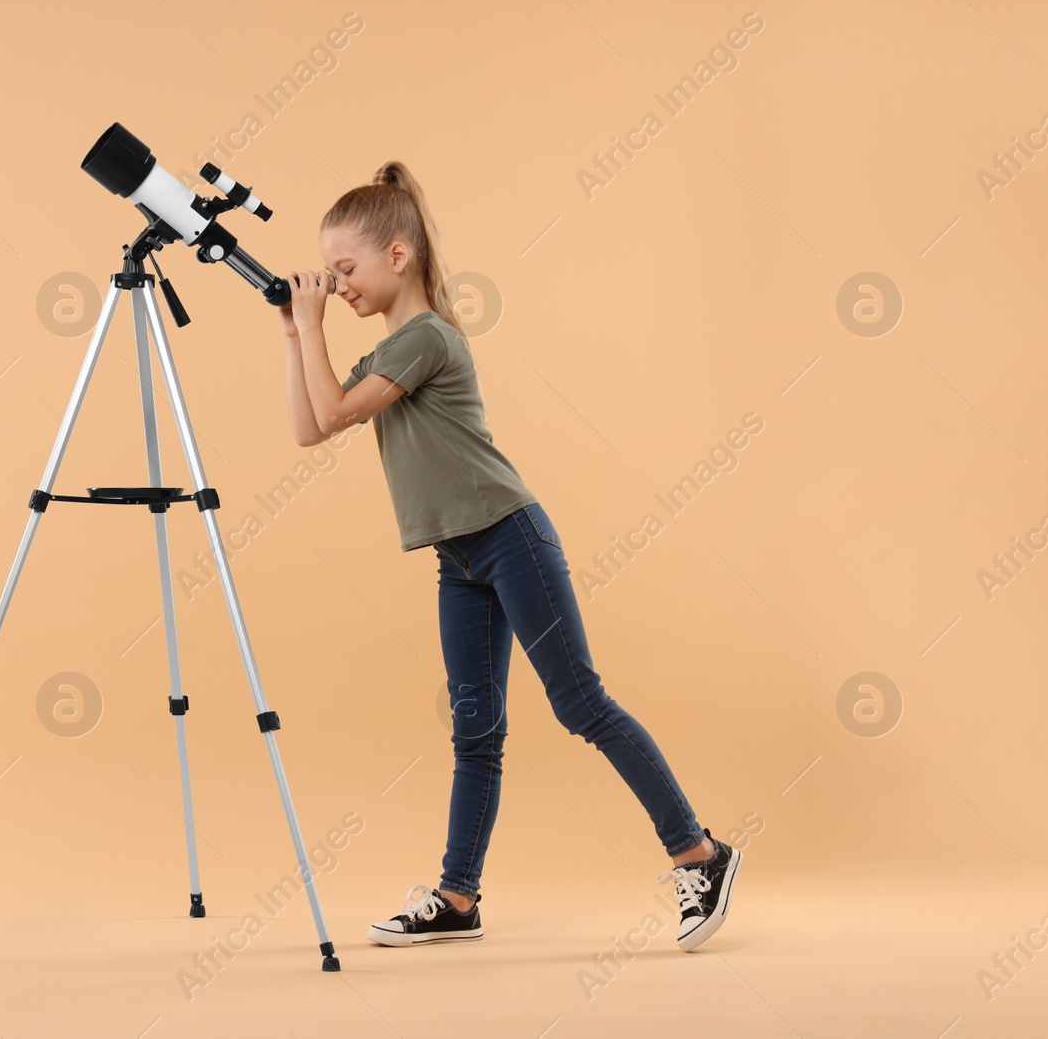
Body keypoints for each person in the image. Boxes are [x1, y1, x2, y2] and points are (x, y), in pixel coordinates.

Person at [278, 161, 742, 952]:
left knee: (580, 703)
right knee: (475, 730)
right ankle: (458, 897)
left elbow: (335, 411)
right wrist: (296, 333)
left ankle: (699, 851)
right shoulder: (392, 347)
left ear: (398, 255)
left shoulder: (424, 338)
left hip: (508, 536)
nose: (336, 284)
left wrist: (313, 326)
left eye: (345, 268)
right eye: (330, 274)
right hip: (458, 557)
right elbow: (310, 426)